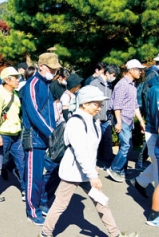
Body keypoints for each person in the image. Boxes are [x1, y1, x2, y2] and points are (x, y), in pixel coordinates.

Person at [38, 86, 139, 237]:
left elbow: (90, 150)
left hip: (86, 172)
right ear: (84, 103)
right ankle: (45, 233)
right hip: (73, 172)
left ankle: (115, 234)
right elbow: (80, 152)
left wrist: (92, 169)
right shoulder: (76, 122)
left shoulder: (93, 120)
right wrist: (92, 175)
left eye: (100, 103)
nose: (100, 107)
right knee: (60, 204)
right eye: (96, 103)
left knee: (101, 202)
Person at [22, 52, 62, 225]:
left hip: (46, 138)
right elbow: (34, 114)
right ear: (42, 67)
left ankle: (43, 203)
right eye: (52, 68)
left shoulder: (46, 84)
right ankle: (32, 210)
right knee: (34, 177)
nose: (54, 72)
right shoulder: (33, 84)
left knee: (54, 172)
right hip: (35, 139)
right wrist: (52, 133)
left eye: (56, 69)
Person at [0, 67, 25, 202]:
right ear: (7, 80)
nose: (18, 80)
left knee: (22, 163)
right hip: (3, 134)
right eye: (15, 77)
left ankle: (26, 190)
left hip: (16, 134)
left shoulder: (15, 93)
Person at [107, 59, 146, 183]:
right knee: (126, 146)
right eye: (138, 69)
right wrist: (118, 122)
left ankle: (122, 171)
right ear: (131, 70)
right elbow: (116, 106)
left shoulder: (132, 85)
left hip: (128, 121)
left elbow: (135, 105)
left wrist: (140, 121)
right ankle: (114, 169)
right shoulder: (122, 85)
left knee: (128, 147)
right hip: (122, 119)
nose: (140, 72)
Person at [131, 75, 159, 197]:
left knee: (155, 164)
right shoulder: (156, 90)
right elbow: (156, 115)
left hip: (153, 131)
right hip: (154, 133)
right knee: (157, 166)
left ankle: (140, 182)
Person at [90, 64, 121, 169]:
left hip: (106, 118)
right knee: (95, 142)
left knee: (108, 141)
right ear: (107, 73)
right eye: (113, 75)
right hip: (96, 118)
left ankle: (108, 164)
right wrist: (95, 116)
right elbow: (90, 101)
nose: (114, 77)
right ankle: (92, 164)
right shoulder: (94, 83)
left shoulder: (109, 85)